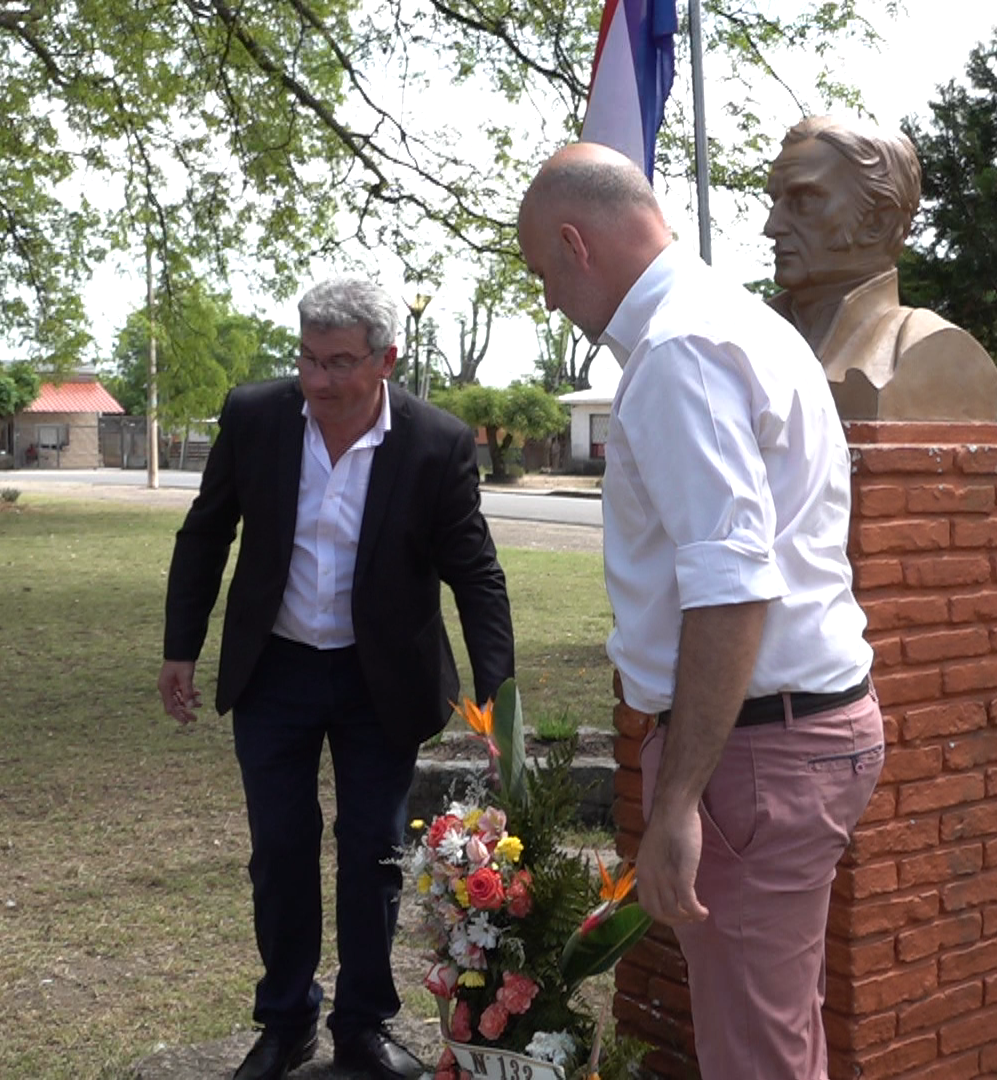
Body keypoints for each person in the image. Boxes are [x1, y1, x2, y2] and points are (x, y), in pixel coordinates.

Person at [517, 142, 884, 1079]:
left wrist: (676, 798)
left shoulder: (681, 348)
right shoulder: (734, 320)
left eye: (543, 273)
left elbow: (731, 581)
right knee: (774, 1028)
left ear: (576, 242)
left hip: (754, 753)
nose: (549, 298)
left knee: (754, 1053)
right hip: (789, 736)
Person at [159, 276, 515, 1080]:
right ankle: (285, 1021)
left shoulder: (436, 442)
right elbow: (206, 532)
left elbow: (476, 573)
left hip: (378, 679)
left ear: (387, 359)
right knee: (279, 851)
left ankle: (363, 1024)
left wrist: (500, 692)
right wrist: (181, 646)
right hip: (274, 671)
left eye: (340, 363)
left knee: (375, 851)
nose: (318, 382)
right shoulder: (256, 417)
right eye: (308, 360)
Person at [765, 114, 997, 422]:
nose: (772, 226)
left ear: (878, 222)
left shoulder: (934, 351)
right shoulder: (741, 343)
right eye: (775, 201)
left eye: (804, 201)